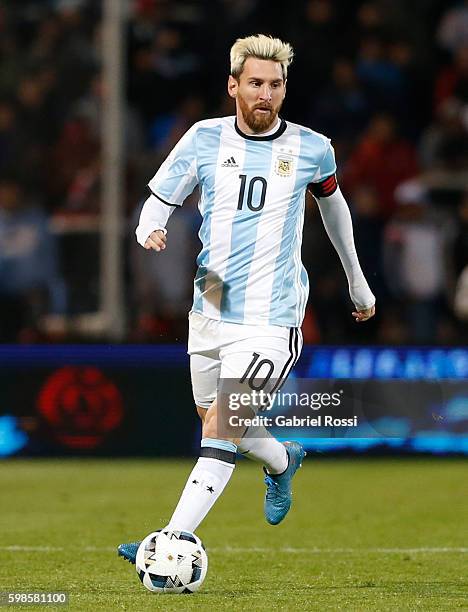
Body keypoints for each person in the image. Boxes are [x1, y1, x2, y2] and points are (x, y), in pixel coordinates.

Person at [118, 34, 375, 563]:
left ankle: (169, 541)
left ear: (284, 90)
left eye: (275, 85)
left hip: (271, 318)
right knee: (217, 419)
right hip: (209, 306)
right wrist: (149, 227)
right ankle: (282, 460)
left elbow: (334, 209)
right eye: (256, 83)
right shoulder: (203, 138)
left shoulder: (312, 148)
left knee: (222, 427)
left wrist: (356, 278)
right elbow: (160, 198)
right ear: (234, 86)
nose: (266, 93)